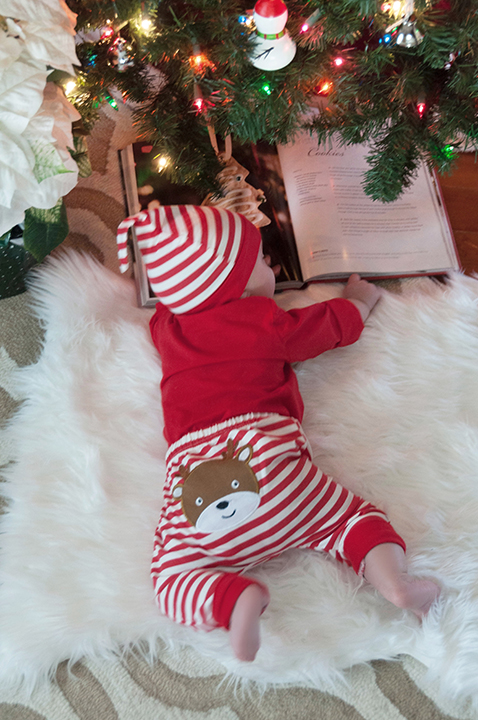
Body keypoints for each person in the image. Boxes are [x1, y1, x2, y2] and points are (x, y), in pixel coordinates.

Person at [117, 205, 440, 662]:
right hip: (279, 475)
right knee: (348, 520)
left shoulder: (167, 329)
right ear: (238, 287)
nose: (272, 266)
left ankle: (234, 600)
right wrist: (360, 300)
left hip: (196, 490)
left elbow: (177, 299)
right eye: (264, 261)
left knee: (171, 578)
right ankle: (395, 583)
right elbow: (329, 327)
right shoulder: (263, 321)